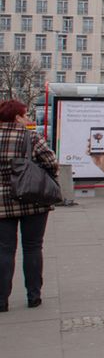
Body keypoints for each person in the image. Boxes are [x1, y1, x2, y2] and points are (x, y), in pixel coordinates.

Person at [0, 100, 59, 311]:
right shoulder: (30, 137)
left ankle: (2, 300)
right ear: (16, 118)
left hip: (2, 203)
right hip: (32, 198)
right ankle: (33, 296)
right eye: (25, 115)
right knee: (33, 247)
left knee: (4, 250)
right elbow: (51, 162)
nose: (28, 119)